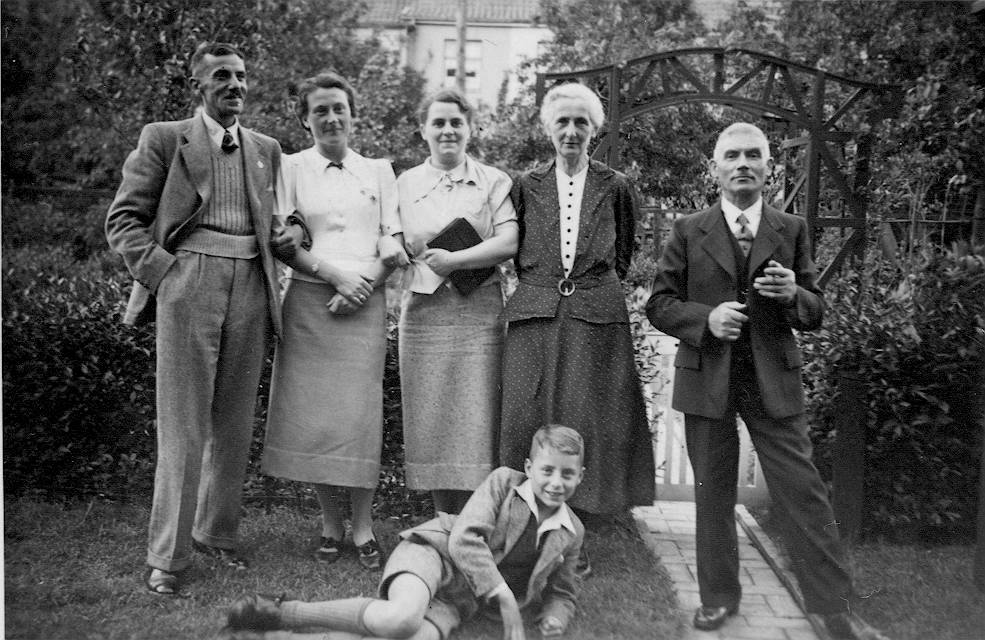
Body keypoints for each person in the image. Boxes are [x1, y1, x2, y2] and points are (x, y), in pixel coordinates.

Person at [645, 123, 889, 640]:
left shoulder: (791, 228)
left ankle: (832, 604)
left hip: (772, 378)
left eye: (753, 155)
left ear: (768, 167)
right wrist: (706, 320)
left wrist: (793, 295)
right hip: (707, 376)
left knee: (802, 492)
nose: (742, 164)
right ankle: (718, 599)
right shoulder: (689, 229)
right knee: (713, 494)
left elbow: (816, 310)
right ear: (714, 169)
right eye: (731, 156)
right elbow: (660, 304)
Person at [105, 42, 284, 595]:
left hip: (252, 281)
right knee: (183, 425)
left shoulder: (266, 149)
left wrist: (291, 230)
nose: (235, 84)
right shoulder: (165, 137)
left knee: (233, 423)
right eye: (222, 76)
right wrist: (166, 273)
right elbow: (123, 220)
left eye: (242, 76)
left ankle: (217, 536)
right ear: (199, 85)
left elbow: (275, 217)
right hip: (191, 281)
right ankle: (168, 557)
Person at [221, 424, 585, 640]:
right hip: (435, 555)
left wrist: (555, 616)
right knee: (400, 618)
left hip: (460, 599)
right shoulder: (505, 482)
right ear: (529, 467)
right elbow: (464, 539)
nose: (556, 482)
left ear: (579, 477)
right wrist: (503, 595)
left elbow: (563, 590)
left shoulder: (572, 530)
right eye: (547, 470)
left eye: (567, 474)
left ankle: (275, 635)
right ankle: (283, 611)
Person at [498, 83, 655, 569]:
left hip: (595, 313)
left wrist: (588, 287)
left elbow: (623, 254)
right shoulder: (526, 184)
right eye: (562, 122)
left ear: (594, 130)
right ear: (548, 128)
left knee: (587, 419)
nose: (571, 132)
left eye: (580, 123)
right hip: (536, 313)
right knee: (527, 415)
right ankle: (522, 530)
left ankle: (576, 534)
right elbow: (514, 247)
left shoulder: (617, 186)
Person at [261, 72, 399, 571]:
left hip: (367, 301)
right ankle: (329, 524)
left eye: (339, 107)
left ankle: (362, 526)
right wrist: (336, 278)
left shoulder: (380, 170)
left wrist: (362, 286)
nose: (331, 117)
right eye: (320, 110)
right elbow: (283, 243)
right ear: (304, 118)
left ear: (353, 112)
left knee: (358, 417)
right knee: (319, 418)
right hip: (311, 302)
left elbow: (394, 241)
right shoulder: (291, 167)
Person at [378, 88, 518, 514]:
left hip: (479, 312)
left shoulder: (493, 180)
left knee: (477, 415)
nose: (447, 130)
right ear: (423, 130)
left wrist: (454, 260)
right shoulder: (404, 183)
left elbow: (509, 241)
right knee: (432, 415)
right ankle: (442, 518)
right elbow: (392, 233)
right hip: (424, 314)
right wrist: (391, 243)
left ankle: (475, 521)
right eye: (438, 122)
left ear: (470, 127)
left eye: (456, 122)